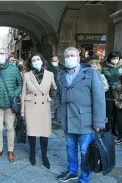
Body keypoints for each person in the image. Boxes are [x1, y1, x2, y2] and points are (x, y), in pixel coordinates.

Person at [56, 47, 106, 183]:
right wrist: (58, 111)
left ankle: (84, 178)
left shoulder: (90, 73)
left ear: (78, 58)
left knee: (85, 151)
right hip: (68, 119)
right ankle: (72, 171)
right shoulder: (60, 74)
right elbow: (58, 96)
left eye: (72, 55)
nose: (69, 58)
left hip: (86, 120)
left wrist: (99, 121)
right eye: (67, 56)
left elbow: (99, 98)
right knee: (70, 148)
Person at [20, 53, 57, 169]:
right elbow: (23, 93)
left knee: (44, 133)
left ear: (42, 61)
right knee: (32, 132)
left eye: (38, 59)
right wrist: (22, 110)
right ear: (31, 63)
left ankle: (44, 155)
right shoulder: (26, 75)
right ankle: (32, 153)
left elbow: (54, 89)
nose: (36, 61)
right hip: (30, 106)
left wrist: (53, 96)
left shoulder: (50, 74)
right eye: (33, 60)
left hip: (44, 105)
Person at [102, 51, 122, 143]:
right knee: (108, 113)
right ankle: (108, 131)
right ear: (110, 58)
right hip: (108, 92)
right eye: (114, 58)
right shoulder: (105, 66)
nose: (115, 60)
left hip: (119, 93)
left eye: (117, 58)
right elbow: (106, 76)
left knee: (118, 114)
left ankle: (117, 132)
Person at [47, 56, 64, 125]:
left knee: (59, 103)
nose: (54, 62)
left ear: (58, 61)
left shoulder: (62, 68)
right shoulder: (48, 68)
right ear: (51, 61)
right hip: (51, 89)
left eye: (55, 61)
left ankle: (59, 118)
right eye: (53, 61)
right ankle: (52, 117)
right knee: (52, 103)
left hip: (60, 88)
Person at [113, 75, 122, 145]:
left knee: (120, 122)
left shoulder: (118, 88)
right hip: (119, 107)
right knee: (119, 123)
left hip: (120, 107)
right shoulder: (118, 88)